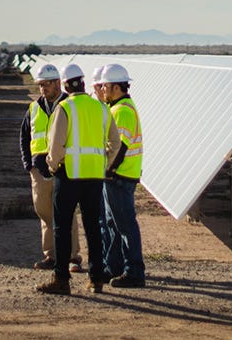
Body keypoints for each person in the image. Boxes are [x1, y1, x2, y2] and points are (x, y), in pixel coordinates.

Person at [36, 63, 120, 296]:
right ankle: (96, 279)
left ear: (64, 84)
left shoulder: (64, 108)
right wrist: (105, 165)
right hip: (94, 177)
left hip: (69, 176)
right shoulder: (100, 108)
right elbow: (115, 143)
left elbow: (56, 146)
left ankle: (61, 279)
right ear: (83, 82)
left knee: (61, 228)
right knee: (93, 228)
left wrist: (53, 167)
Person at [19, 62, 82, 272]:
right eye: (40, 85)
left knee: (66, 212)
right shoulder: (34, 108)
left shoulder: (69, 105)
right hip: (39, 171)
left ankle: (73, 257)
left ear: (57, 83)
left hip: (64, 169)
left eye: (46, 84)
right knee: (44, 212)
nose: (43, 88)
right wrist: (29, 165)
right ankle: (51, 256)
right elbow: (25, 136)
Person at [98, 63, 145, 287]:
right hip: (119, 176)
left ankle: (134, 272)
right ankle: (113, 267)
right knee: (113, 225)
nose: (103, 90)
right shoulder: (118, 108)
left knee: (125, 225)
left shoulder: (122, 111)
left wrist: (108, 171)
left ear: (116, 87)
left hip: (120, 177)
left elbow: (119, 148)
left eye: (106, 86)